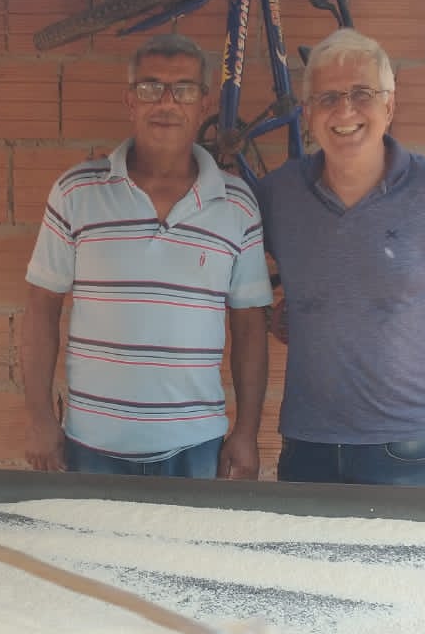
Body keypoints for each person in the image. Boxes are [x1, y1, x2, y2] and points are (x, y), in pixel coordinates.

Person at [255, 28, 425, 486]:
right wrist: (272, 314)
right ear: (307, 114)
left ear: (389, 107)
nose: (345, 111)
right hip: (307, 442)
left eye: (362, 94)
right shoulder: (279, 194)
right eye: (328, 98)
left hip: (406, 446)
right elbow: (226, 270)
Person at [20, 33, 271, 479]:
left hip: (196, 446)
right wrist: (40, 418)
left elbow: (250, 327)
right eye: (151, 87)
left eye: (184, 89)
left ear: (203, 103)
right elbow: (41, 308)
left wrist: (247, 432)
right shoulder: (77, 192)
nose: (167, 102)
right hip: (92, 442)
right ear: (130, 101)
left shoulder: (236, 204)